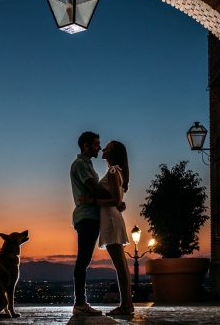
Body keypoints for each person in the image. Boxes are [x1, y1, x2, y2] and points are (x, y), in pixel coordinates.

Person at [70, 131, 124, 316]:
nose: (99, 148)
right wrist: (115, 199)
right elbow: (93, 189)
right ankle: (80, 304)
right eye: (96, 144)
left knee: (84, 260)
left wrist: (115, 200)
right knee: (83, 260)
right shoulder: (81, 165)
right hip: (86, 216)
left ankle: (81, 303)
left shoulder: (88, 165)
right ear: (86, 146)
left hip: (91, 216)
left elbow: (99, 191)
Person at [79, 140, 134, 315]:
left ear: (113, 153)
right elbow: (117, 199)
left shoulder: (112, 171)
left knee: (120, 265)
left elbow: (115, 201)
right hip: (113, 218)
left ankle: (125, 305)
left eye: (107, 147)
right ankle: (127, 304)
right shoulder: (119, 172)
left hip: (110, 220)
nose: (103, 149)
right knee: (122, 265)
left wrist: (92, 201)